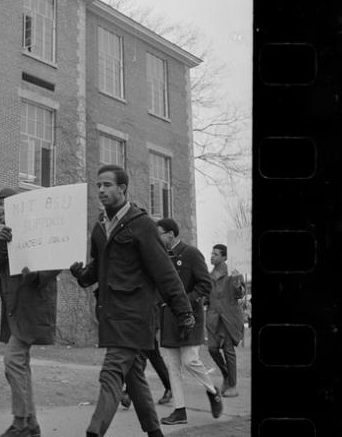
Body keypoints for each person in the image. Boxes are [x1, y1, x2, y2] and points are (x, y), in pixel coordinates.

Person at [69, 164, 196, 437]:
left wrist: (184, 310)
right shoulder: (99, 227)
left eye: (107, 185)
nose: (101, 190)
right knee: (134, 376)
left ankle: (94, 431)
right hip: (110, 313)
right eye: (98, 185)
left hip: (136, 315)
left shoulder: (142, 225)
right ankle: (155, 432)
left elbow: (164, 271)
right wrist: (81, 275)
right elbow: (98, 267)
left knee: (112, 370)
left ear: (122, 188)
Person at [0, 187, 62, 437]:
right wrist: (1, 244)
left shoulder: (37, 231)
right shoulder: (2, 238)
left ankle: (21, 423)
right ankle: (32, 424)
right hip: (13, 309)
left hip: (32, 308)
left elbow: (57, 260)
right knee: (20, 365)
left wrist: (36, 276)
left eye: (3, 205)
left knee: (13, 360)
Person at [155, 218, 223, 425]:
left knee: (189, 361)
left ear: (170, 234)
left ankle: (213, 392)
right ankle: (179, 411)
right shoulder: (160, 257)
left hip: (189, 318)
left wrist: (184, 301)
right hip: (168, 319)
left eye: (159, 233)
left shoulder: (192, 253)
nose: (157, 237)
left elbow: (205, 285)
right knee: (173, 366)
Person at [206, 244, 246, 398]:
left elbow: (240, 294)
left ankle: (233, 386)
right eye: (212, 253)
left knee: (228, 350)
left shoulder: (234, 274)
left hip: (228, 318)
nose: (212, 256)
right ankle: (226, 376)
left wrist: (238, 285)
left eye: (215, 254)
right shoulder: (208, 276)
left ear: (224, 257)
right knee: (212, 349)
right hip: (213, 319)